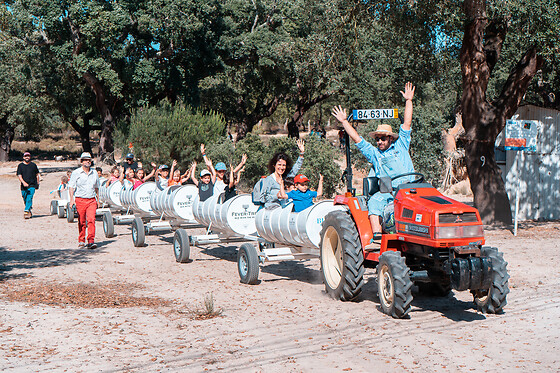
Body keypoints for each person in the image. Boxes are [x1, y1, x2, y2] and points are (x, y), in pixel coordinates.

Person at [332, 82, 416, 241]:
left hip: (409, 189)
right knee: (376, 201)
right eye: (377, 139)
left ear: (391, 138)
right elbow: (357, 139)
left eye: (383, 138)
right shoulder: (374, 154)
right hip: (389, 193)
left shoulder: (402, 144)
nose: (379, 142)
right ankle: (377, 237)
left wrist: (408, 101)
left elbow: (407, 123)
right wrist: (344, 122)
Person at [260, 139, 305, 208]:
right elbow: (263, 198)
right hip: (272, 211)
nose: (281, 167)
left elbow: (296, 168)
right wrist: (276, 196)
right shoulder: (268, 180)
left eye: (284, 165)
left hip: (284, 211)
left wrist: (301, 153)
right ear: (274, 165)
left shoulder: (286, 178)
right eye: (279, 165)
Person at [68, 152, 100, 249]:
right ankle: (81, 240)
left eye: (89, 160)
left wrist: (98, 200)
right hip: (80, 199)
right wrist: (71, 200)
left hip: (91, 200)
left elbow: (97, 187)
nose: (87, 162)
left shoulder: (94, 173)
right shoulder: (76, 173)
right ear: (81, 162)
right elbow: (71, 187)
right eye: (85, 160)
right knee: (81, 221)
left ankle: (91, 240)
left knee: (91, 220)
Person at [16, 151, 41, 219]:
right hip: (23, 186)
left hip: (32, 184)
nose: (27, 157)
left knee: (29, 197)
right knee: (25, 198)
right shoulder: (20, 166)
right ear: (23, 157)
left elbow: (37, 175)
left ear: (30, 157)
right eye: (25, 156)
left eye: (28, 156)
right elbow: (19, 175)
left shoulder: (33, 165)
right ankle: (29, 208)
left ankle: (26, 211)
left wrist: (38, 183)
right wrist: (23, 182)